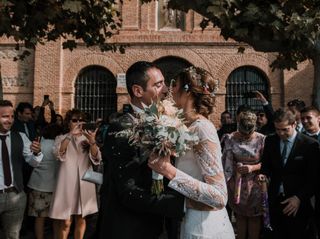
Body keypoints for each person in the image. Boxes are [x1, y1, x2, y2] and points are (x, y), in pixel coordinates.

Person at [97, 61, 185, 239]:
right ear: (138, 91)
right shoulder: (121, 128)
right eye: (158, 85)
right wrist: (180, 205)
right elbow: (128, 191)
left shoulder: (162, 120)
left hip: (154, 224)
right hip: (128, 227)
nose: (166, 89)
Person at [148, 66, 235, 239]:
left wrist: (168, 171)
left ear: (187, 91)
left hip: (206, 228)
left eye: (175, 85)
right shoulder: (186, 126)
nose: (170, 90)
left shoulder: (203, 128)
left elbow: (219, 196)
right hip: (190, 219)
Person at [260, 108, 319, 239]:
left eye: (285, 129)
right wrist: (263, 176)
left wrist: (298, 198)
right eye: (277, 129)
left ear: (294, 124)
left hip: (298, 204)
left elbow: (314, 179)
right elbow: (266, 167)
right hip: (275, 201)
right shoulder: (270, 141)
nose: (280, 133)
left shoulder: (310, 145)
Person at [49, 109, 101, 239]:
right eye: (74, 120)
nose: (78, 123)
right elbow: (58, 154)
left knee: (81, 219)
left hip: (84, 183)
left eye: (81, 120)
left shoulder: (87, 138)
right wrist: (70, 135)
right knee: (66, 222)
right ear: (68, 123)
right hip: (67, 184)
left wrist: (92, 141)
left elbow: (96, 158)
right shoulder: (61, 138)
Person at [0, 100, 43, 239]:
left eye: (12, 116)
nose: (10, 120)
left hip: (16, 195)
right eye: (5, 116)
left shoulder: (21, 137)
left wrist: (36, 153)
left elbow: (33, 162)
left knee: (12, 236)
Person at [223, 111, 265, 239]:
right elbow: (227, 162)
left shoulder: (262, 139)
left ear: (255, 128)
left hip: (256, 183)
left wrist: (253, 167)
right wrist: (228, 181)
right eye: (242, 133)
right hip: (237, 182)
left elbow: (268, 163)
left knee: (254, 217)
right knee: (240, 216)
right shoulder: (230, 138)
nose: (245, 136)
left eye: (249, 133)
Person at [27, 124, 62, 239]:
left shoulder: (40, 143)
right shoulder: (59, 146)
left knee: (39, 218)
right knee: (56, 219)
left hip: (37, 185)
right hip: (55, 186)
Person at [301, 106, 320, 238]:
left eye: (309, 118)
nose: (305, 121)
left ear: (318, 119)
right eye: (302, 118)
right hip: (304, 191)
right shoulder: (299, 140)